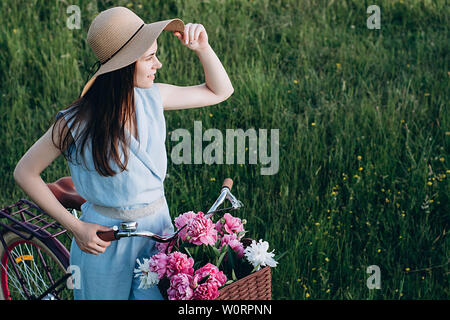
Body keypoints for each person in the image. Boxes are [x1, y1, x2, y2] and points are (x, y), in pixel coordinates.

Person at [13, 6, 233, 300]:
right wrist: (76, 228)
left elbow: (219, 91)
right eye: (149, 57)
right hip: (104, 244)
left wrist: (203, 48)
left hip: (157, 236)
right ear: (125, 66)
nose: (159, 64)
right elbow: (25, 172)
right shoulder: (76, 122)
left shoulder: (153, 97)